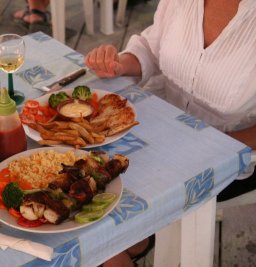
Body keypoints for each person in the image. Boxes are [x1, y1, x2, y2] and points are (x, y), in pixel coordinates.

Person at [85, 0, 256, 266]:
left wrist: (220, 147)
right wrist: (119, 63)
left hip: (232, 153)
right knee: (81, 174)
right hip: (159, 129)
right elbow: (152, 48)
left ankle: (128, 241)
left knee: (97, 210)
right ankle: (134, 240)